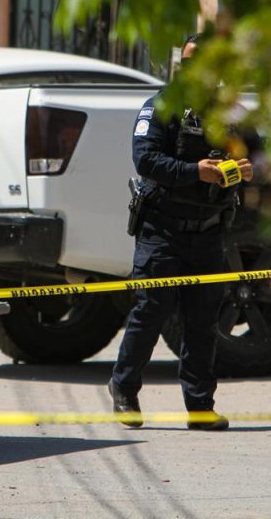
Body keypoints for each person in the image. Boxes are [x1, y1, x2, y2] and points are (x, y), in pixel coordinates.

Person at [108, 34, 253, 431]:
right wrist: (196, 171)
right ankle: (124, 390)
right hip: (163, 229)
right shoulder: (161, 106)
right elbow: (146, 159)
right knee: (150, 312)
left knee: (204, 321)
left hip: (208, 231)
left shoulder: (227, 113)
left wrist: (244, 168)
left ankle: (200, 405)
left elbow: (254, 152)